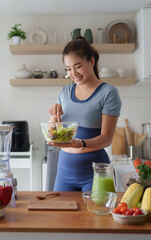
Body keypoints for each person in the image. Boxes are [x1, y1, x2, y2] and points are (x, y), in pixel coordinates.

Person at [48, 36, 122, 191]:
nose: (73, 73)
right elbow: (51, 130)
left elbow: (106, 139)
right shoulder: (65, 91)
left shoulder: (108, 93)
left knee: (98, 215)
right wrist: (55, 116)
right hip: (64, 171)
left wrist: (81, 143)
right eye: (68, 69)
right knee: (60, 214)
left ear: (92, 62)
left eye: (78, 66)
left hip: (95, 172)